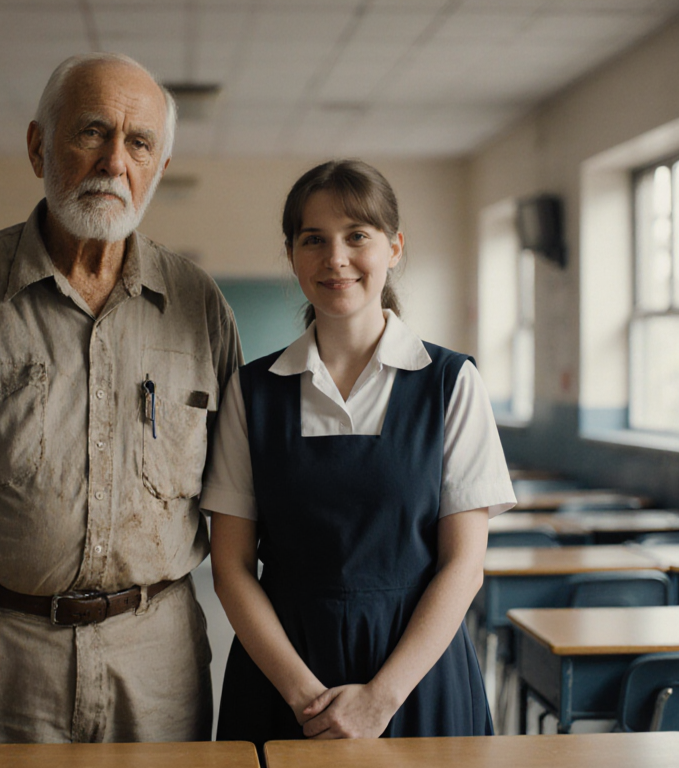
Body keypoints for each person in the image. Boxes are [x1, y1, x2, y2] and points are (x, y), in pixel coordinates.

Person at [0, 52, 240, 744]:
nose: (113, 161)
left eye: (139, 142)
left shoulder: (198, 307)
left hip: (155, 665)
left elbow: (230, 486)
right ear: (40, 145)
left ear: (157, 164)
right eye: (91, 132)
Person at [202, 159, 515, 746]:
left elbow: (464, 567)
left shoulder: (449, 382)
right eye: (312, 240)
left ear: (394, 247)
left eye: (357, 236)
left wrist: (380, 700)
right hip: (283, 673)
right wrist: (306, 701)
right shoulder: (253, 391)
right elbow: (231, 568)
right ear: (292, 254)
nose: (335, 258)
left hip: (416, 672)